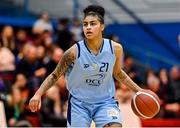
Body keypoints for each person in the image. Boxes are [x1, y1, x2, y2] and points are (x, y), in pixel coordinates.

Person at [29, 5, 145, 127]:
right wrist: (38, 94)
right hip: (79, 105)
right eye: (85, 24)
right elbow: (54, 75)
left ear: (102, 27)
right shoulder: (73, 52)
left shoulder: (115, 49)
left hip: (105, 102)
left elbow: (118, 73)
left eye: (93, 24)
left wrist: (139, 90)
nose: (88, 27)